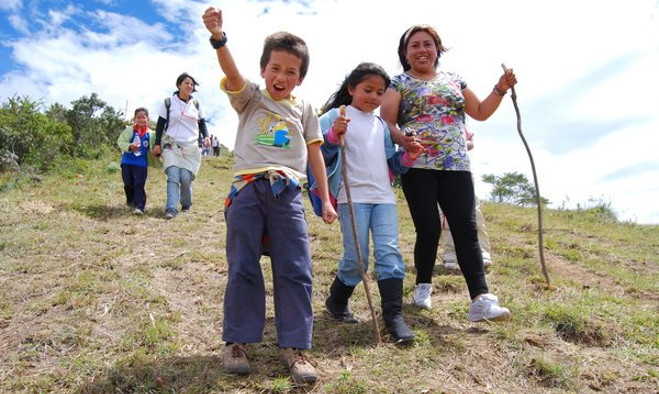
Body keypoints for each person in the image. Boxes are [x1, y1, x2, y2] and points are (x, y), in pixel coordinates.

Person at [202, 7, 337, 383]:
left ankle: (295, 347)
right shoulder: (251, 98)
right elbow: (231, 73)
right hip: (247, 189)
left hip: (289, 192)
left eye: (291, 71)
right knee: (243, 265)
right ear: (263, 70)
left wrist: (324, 199)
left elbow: (315, 155)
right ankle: (237, 341)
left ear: (300, 77)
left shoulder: (306, 109)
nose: (282, 76)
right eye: (275, 68)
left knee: (296, 268)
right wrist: (219, 37)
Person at [380, 24, 516, 322]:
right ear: (406, 53)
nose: (421, 50)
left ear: (437, 49)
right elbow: (387, 121)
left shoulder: (454, 80)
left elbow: (479, 111)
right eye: (414, 45)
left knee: (465, 229)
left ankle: (481, 299)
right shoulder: (398, 83)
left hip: (456, 164)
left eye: (427, 44)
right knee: (428, 228)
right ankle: (423, 286)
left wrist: (500, 89)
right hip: (418, 166)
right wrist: (402, 138)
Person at [319, 63, 422, 344]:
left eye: (379, 92)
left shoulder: (381, 125)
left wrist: (409, 156)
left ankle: (393, 316)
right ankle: (336, 301)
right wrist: (331, 137)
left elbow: (393, 164)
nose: (374, 97)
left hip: (383, 198)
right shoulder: (335, 116)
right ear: (351, 89)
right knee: (358, 257)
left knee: (389, 253)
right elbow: (319, 155)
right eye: (367, 90)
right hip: (351, 197)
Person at [152, 72, 211, 220]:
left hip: (191, 146)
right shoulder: (169, 102)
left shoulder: (196, 104)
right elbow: (160, 124)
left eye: (191, 84)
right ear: (179, 85)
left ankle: (186, 204)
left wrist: (207, 136)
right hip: (172, 144)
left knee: (185, 177)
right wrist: (157, 143)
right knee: (173, 175)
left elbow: (202, 123)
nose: (189, 86)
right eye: (186, 83)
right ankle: (171, 208)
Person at [440, 130, 493, 270]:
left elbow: (471, 142)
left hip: (461, 170)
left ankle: (482, 251)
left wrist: (457, 143)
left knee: (472, 211)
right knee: (444, 214)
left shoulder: (458, 118)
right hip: (437, 171)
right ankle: (450, 254)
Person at [116, 107, 155, 215]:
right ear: (134, 119)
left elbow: (154, 147)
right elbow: (120, 141)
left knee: (139, 184)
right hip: (127, 161)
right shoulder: (129, 130)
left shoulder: (151, 134)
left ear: (148, 119)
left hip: (141, 163)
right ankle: (130, 201)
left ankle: (140, 207)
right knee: (128, 183)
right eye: (139, 117)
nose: (141, 119)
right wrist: (129, 146)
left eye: (144, 117)